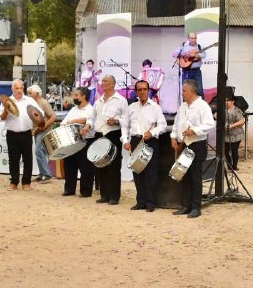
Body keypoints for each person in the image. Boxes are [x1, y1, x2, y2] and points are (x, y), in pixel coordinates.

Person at [170, 79, 215, 218]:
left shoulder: (203, 106)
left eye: (184, 91)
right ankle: (186, 205)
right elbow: (176, 124)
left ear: (192, 91)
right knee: (185, 176)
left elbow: (209, 124)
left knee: (195, 177)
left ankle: (196, 207)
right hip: (184, 144)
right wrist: (173, 137)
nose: (182, 93)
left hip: (197, 145)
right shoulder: (183, 107)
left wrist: (194, 131)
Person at [82, 75, 128, 205]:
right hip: (99, 135)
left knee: (114, 166)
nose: (102, 83)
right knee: (101, 165)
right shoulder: (98, 101)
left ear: (113, 84)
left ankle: (114, 196)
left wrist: (117, 121)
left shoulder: (121, 100)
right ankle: (104, 194)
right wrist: (87, 126)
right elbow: (91, 117)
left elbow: (126, 120)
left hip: (113, 134)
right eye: (102, 81)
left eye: (105, 81)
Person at [122, 80, 166, 212]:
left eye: (144, 89)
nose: (142, 92)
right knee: (138, 172)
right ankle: (140, 202)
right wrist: (125, 141)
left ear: (148, 91)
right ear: (136, 92)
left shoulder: (155, 107)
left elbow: (162, 125)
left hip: (150, 141)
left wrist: (152, 133)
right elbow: (124, 126)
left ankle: (150, 202)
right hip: (136, 141)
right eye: (139, 90)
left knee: (151, 173)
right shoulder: (131, 108)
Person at [0, 79, 41, 190]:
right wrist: (6, 110)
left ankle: (26, 182)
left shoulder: (29, 100)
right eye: (17, 88)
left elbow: (39, 113)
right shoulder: (6, 101)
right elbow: (0, 117)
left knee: (28, 159)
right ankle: (14, 182)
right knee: (13, 159)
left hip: (27, 133)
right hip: (12, 134)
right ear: (12, 89)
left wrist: (37, 116)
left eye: (21, 88)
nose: (19, 90)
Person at [60, 87, 96, 198]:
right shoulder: (73, 110)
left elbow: (88, 120)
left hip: (86, 141)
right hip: (72, 141)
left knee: (86, 167)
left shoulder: (91, 109)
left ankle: (86, 191)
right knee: (69, 165)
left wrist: (74, 121)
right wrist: (66, 124)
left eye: (76, 95)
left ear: (83, 96)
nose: (74, 97)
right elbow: (63, 122)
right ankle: (69, 189)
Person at [27, 85, 57, 183]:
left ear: (37, 93)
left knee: (39, 151)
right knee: (40, 152)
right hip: (37, 131)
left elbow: (53, 117)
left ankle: (46, 174)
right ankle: (42, 174)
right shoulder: (34, 103)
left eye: (30, 93)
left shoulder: (43, 103)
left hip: (43, 130)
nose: (28, 95)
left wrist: (43, 126)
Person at [174, 32, 207, 96]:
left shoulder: (199, 47)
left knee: (199, 90)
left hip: (196, 71)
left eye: (195, 38)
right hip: (186, 71)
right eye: (191, 38)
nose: (193, 40)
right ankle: (186, 102)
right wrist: (185, 54)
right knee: (185, 90)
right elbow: (174, 54)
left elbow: (204, 55)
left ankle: (201, 102)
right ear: (188, 39)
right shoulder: (184, 47)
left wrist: (197, 55)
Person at [224, 94, 245, 171]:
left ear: (232, 101)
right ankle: (229, 167)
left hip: (236, 135)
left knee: (234, 151)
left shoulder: (237, 110)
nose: (226, 102)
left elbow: (242, 122)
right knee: (225, 152)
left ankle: (234, 167)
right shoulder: (223, 110)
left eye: (228, 101)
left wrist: (232, 126)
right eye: (225, 101)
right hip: (226, 135)